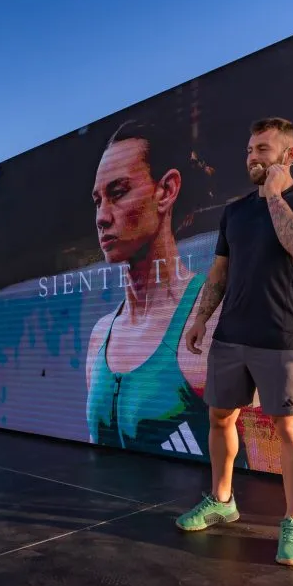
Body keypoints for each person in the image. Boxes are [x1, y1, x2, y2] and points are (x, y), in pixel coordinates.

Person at [177, 117, 293, 568]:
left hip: (279, 336)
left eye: (262, 149)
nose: (252, 156)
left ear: (289, 155)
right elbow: (220, 273)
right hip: (231, 335)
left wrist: (274, 198)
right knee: (220, 418)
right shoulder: (235, 211)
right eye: (249, 149)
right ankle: (222, 500)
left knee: (289, 429)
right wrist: (200, 319)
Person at [84, 118, 222, 462]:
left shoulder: (217, 319)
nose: (102, 216)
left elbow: (273, 460)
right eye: (97, 200)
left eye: (118, 193)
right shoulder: (101, 335)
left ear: (166, 191)